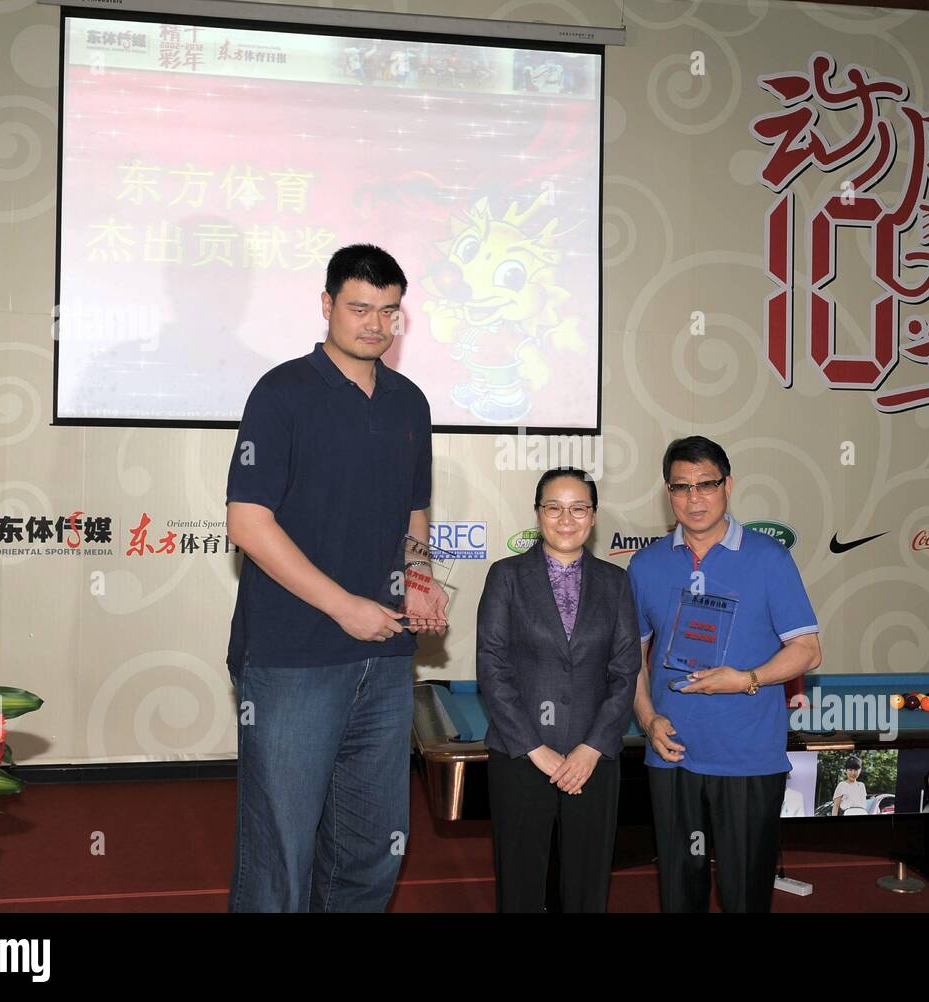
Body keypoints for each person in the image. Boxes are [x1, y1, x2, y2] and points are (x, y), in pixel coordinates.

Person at [224, 243, 447, 912]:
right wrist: (345, 605)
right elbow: (248, 522)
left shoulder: (410, 402)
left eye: (388, 311)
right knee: (280, 854)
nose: (375, 324)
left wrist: (419, 577)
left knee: (373, 848)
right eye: (359, 308)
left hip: (385, 660)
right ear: (326, 306)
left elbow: (414, 508)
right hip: (292, 660)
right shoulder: (280, 392)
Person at [628, 436, 821, 912]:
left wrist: (747, 678)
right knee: (679, 893)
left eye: (706, 485)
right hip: (672, 754)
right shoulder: (645, 563)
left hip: (748, 757)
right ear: (667, 493)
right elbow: (629, 657)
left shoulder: (768, 557)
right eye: (681, 487)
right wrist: (649, 719)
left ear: (728, 486)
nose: (694, 498)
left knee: (744, 893)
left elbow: (807, 650)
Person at [477, 468, 640, 912]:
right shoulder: (506, 576)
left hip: (594, 760)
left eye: (578, 508)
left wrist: (591, 748)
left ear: (592, 516)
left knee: (588, 886)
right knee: (521, 885)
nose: (566, 519)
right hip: (520, 756)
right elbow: (492, 667)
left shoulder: (616, 581)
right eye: (554, 507)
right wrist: (535, 747)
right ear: (538, 514)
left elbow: (625, 670)